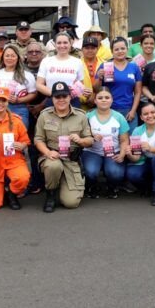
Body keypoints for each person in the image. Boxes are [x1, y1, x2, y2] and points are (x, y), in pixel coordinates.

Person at [34, 82, 94, 212]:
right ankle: (50, 194)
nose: (61, 100)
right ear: (52, 99)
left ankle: (62, 183)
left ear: (70, 97)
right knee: (53, 166)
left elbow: (90, 140)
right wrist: (48, 152)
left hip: (71, 160)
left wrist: (81, 140)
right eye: (57, 97)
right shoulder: (44, 115)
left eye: (64, 96)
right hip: (52, 157)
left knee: (71, 203)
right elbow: (38, 139)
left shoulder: (81, 116)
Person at [83, 88, 130, 199]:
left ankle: (112, 187)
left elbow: (124, 140)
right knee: (90, 172)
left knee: (115, 174)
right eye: (100, 98)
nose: (104, 100)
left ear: (112, 100)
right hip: (92, 151)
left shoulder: (119, 117)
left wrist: (122, 154)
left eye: (107, 97)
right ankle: (92, 187)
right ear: (95, 101)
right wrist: (91, 137)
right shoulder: (87, 116)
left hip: (113, 151)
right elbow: (82, 136)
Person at [95, 37, 142, 131]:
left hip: (128, 110)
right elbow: (96, 89)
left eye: (123, 48)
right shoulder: (104, 66)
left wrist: (133, 111)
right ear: (112, 51)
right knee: (111, 140)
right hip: (109, 109)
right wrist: (99, 77)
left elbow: (138, 92)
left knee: (131, 141)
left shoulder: (134, 67)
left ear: (127, 49)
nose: (120, 51)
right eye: (116, 49)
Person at [0, 45, 37, 128]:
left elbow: (33, 94)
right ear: (3, 58)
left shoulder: (27, 75)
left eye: (13, 56)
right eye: (7, 56)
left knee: (19, 136)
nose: (10, 58)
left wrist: (19, 100)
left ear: (18, 58)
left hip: (19, 109)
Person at [23, 40, 48, 194]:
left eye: (37, 52)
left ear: (42, 54)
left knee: (45, 146)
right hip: (26, 110)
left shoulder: (47, 68)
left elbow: (52, 89)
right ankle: (36, 181)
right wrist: (25, 106)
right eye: (30, 52)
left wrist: (41, 106)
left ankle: (48, 179)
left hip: (45, 109)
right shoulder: (21, 70)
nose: (33, 54)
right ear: (25, 54)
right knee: (31, 147)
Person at [36, 32, 84, 108]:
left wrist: (68, 95)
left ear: (70, 43)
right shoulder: (46, 61)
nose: (62, 45)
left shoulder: (78, 62)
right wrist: (55, 94)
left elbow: (80, 84)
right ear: (54, 44)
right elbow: (39, 85)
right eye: (59, 43)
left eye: (65, 42)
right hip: (52, 100)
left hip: (72, 101)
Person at [77, 36, 100, 111]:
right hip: (81, 106)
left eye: (93, 48)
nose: (90, 50)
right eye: (87, 48)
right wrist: (86, 98)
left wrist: (95, 97)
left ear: (97, 49)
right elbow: (73, 84)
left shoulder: (105, 64)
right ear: (82, 49)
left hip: (101, 104)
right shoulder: (75, 64)